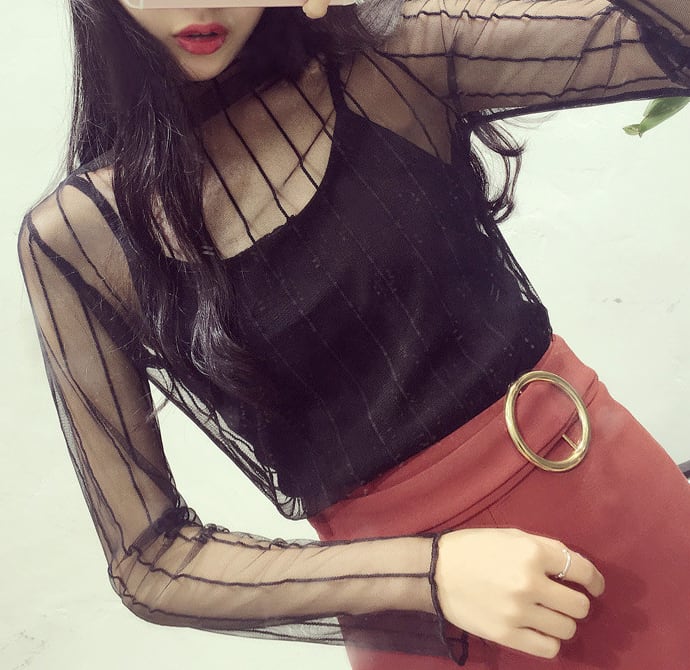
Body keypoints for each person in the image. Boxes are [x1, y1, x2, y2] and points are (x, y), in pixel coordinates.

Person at [17, 0, 690, 667]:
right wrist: (427, 574)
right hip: (428, 620)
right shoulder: (81, 235)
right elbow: (151, 562)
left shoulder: (395, 58)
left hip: (614, 513)